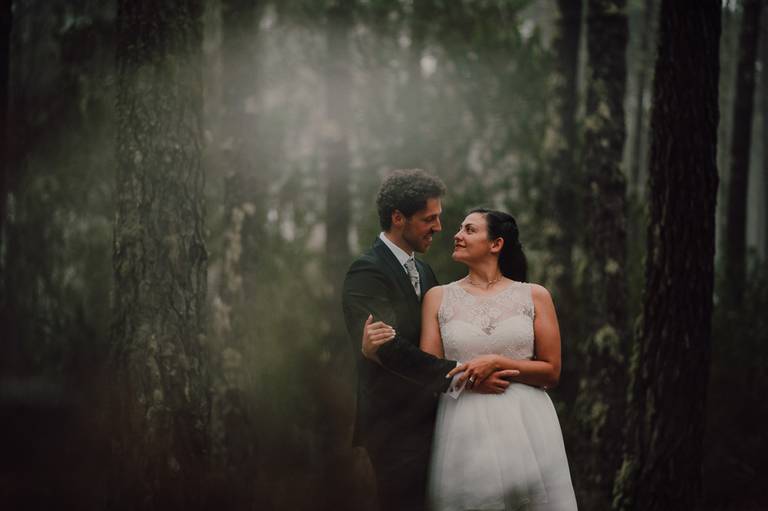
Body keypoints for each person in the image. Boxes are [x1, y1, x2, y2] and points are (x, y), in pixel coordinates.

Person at [364, 208, 578, 511]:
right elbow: (429, 369)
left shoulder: (534, 295)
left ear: (496, 244)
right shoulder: (438, 297)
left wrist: (498, 362)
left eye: (469, 229)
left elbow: (551, 371)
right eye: (460, 229)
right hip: (464, 424)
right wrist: (376, 353)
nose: (457, 235)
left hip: (528, 423)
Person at [342, 171, 517, 511]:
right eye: (429, 219)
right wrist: (464, 376)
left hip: (437, 420)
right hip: (395, 426)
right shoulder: (367, 271)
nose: (438, 227)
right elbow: (389, 348)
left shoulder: (424, 272)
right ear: (398, 218)